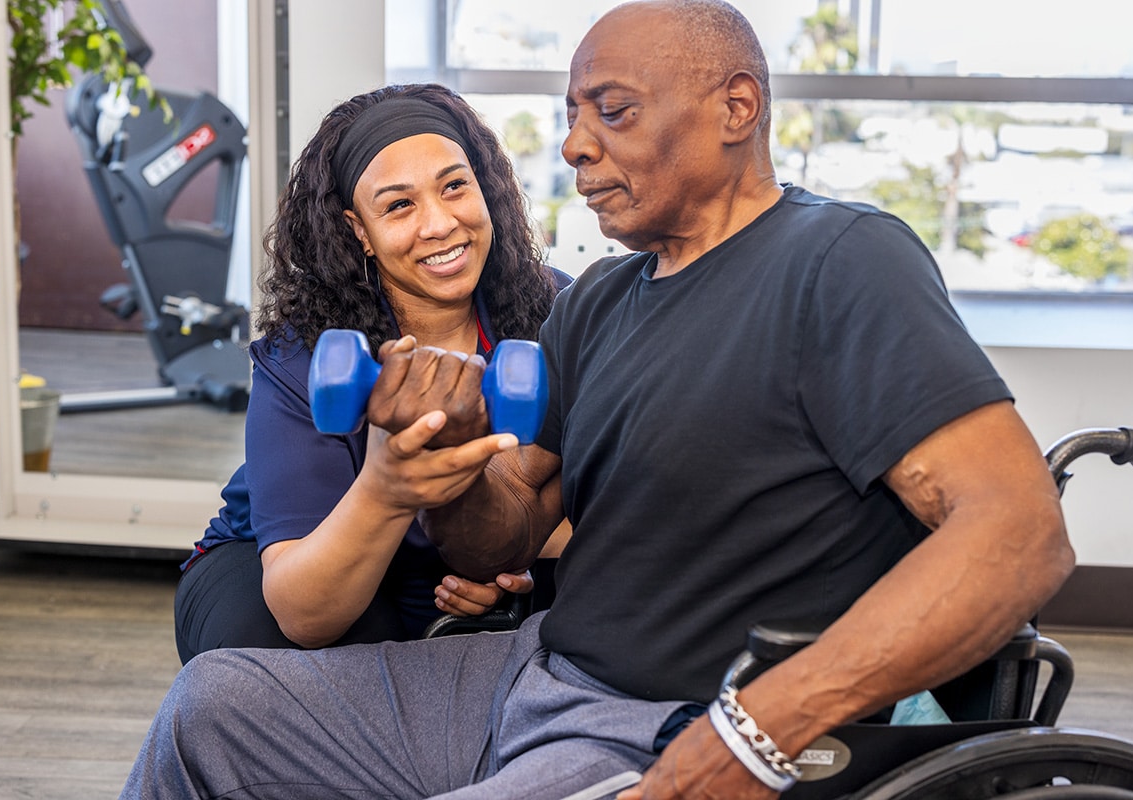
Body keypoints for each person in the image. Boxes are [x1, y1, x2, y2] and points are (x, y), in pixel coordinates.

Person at [122, 2, 1074, 798]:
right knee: (211, 709)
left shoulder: (839, 261)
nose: (575, 145)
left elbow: (1019, 534)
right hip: (534, 670)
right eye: (573, 114)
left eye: (611, 111)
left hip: (670, 719)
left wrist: (758, 730)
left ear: (736, 107)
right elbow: (507, 534)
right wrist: (445, 460)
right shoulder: (602, 303)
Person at [172, 82, 572, 664]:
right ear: (359, 230)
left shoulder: (561, 311)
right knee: (322, 660)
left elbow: (607, 506)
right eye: (399, 205)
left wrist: (514, 555)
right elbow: (305, 612)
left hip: (454, 568)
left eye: (455, 187)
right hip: (301, 560)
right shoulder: (305, 354)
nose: (439, 224)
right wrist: (388, 487)